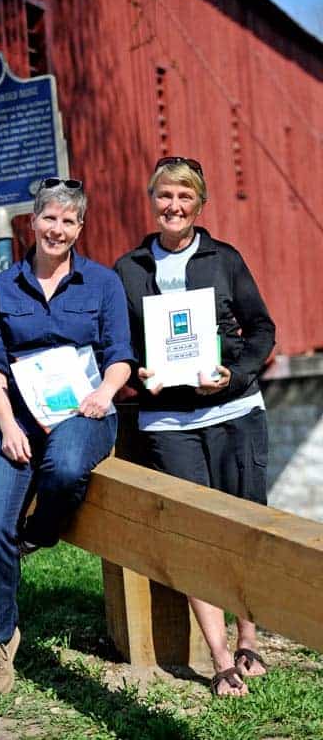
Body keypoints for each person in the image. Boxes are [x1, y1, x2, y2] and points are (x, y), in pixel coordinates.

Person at [114, 156, 276, 697]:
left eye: (185, 197)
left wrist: (236, 373)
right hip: (168, 422)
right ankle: (221, 656)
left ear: (200, 204)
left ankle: (249, 636)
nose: (174, 207)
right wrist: (139, 372)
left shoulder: (224, 259)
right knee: (193, 532)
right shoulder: (129, 269)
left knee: (242, 526)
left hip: (234, 414)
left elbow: (261, 329)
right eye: (165, 196)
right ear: (152, 200)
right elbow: (120, 345)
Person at [0, 178, 133, 695]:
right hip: (20, 418)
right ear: (32, 222)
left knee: (63, 468)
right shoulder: (0, 289)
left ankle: (39, 534)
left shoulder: (103, 284)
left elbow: (120, 358)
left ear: (79, 229)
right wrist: (8, 424)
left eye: (68, 221)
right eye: (49, 218)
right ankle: (1, 639)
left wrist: (104, 394)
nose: (56, 229)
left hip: (86, 413)